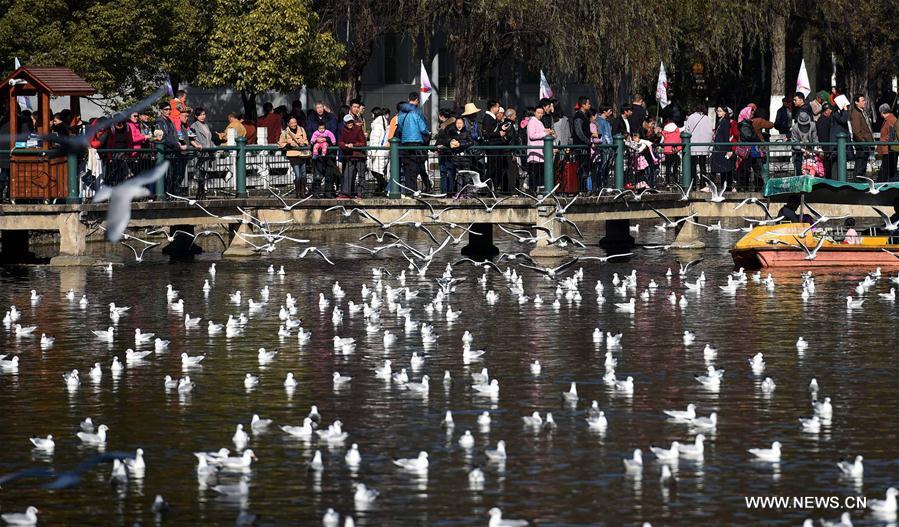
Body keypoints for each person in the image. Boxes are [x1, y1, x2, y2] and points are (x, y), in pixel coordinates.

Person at [397, 91, 431, 193]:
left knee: (407, 167)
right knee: (416, 167)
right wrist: (428, 132)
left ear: (408, 99)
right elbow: (422, 128)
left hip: (404, 143)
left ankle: (409, 190)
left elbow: (400, 126)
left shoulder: (401, 112)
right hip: (416, 142)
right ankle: (415, 190)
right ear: (417, 100)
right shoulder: (417, 111)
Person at [278, 116, 310, 198]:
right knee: (298, 175)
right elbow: (280, 143)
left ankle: (303, 192)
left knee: (303, 174)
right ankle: (298, 193)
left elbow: (306, 140)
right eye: (291, 123)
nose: (294, 124)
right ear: (288, 124)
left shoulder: (302, 129)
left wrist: (304, 143)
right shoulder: (285, 132)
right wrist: (289, 144)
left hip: (302, 154)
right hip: (293, 155)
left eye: (295, 122)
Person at [338, 113, 366, 198]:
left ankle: (361, 193)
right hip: (350, 155)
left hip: (359, 155)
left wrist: (353, 145)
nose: (350, 123)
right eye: (348, 122)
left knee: (361, 175)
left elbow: (363, 143)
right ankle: (346, 193)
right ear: (344, 123)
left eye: (351, 122)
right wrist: (346, 145)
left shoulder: (358, 129)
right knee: (347, 174)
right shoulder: (343, 130)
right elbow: (340, 142)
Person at [683, 105, 713, 185]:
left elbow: (687, 130)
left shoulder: (691, 117)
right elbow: (711, 131)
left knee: (692, 165)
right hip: (704, 145)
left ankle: (693, 184)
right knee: (703, 165)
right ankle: (703, 183)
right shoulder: (707, 118)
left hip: (693, 145)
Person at [190, 107, 215, 199]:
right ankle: (200, 193)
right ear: (196, 116)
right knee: (200, 173)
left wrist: (214, 148)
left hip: (207, 152)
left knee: (204, 173)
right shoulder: (194, 126)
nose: (202, 116)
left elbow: (209, 139)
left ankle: (201, 192)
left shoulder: (206, 125)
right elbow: (191, 138)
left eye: (204, 114)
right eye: (200, 115)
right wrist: (197, 145)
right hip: (200, 152)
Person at [709, 106, 735, 189]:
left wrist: (728, 149)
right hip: (719, 147)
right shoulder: (721, 121)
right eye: (717, 111)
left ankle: (726, 186)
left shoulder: (724, 122)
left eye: (720, 111)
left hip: (722, 148)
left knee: (724, 167)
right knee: (721, 167)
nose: (718, 112)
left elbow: (726, 136)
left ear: (725, 112)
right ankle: (723, 186)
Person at [849, 94, 874, 179]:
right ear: (856, 102)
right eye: (862, 100)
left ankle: (861, 179)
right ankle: (858, 180)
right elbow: (856, 131)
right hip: (862, 144)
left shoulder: (862, 112)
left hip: (866, 143)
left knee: (863, 164)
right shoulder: (855, 113)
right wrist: (863, 142)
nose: (865, 102)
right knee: (860, 164)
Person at [366, 107, 390, 194]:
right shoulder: (384, 123)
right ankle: (381, 187)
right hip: (383, 151)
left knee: (376, 171)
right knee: (378, 171)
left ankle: (382, 187)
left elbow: (374, 140)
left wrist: (372, 152)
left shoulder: (377, 125)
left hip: (378, 151)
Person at [830, 95, 851, 179]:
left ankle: (841, 178)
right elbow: (843, 120)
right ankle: (836, 179)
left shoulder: (839, 113)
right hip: (836, 142)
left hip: (842, 141)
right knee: (836, 162)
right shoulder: (835, 113)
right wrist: (846, 110)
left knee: (842, 161)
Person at [877, 104, 897, 182]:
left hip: (889, 148)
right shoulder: (889, 119)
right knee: (888, 168)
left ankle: (881, 184)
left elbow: (891, 135)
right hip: (889, 147)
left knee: (886, 169)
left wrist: (885, 141)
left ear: (882, 112)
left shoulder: (890, 120)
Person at [660, 118, 682, 184]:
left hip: (668, 150)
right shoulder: (677, 130)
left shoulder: (664, 131)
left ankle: (667, 181)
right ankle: (676, 181)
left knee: (668, 167)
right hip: (675, 150)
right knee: (675, 166)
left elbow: (661, 141)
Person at [817, 103, 834, 179]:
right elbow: (823, 136)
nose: (831, 111)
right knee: (826, 167)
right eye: (829, 109)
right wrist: (825, 149)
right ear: (826, 111)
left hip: (828, 147)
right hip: (826, 148)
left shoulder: (827, 119)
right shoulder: (822, 120)